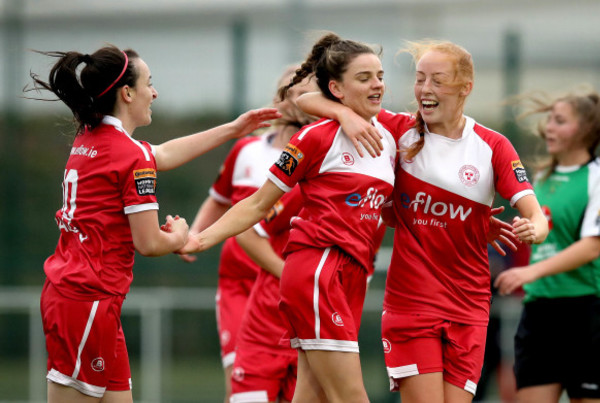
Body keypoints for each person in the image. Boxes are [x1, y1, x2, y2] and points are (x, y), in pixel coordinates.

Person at [297, 39, 548, 403]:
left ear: (465, 88)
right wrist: (346, 114)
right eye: (419, 79)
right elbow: (305, 99)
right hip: (410, 305)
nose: (425, 90)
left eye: (437, 80)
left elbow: (534, 214)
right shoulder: (399, 131)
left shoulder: (492, 146)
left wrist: (532, 230)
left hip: (469, 306)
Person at [27, 45, 280, 403]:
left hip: (79, 296)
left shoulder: (90, 135)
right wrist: (179, 236)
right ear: (127, 93)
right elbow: (148, 243)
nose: (155, 92)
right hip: (87, 301)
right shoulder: (131, 155)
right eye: (150, 82)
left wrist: (234, 129)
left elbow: (161, 154)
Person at [180, 32, 400, 403]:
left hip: (349, 277)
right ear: (337, 87)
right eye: (364, 78)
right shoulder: (313, 139)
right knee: (350, 396)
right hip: (318, 273)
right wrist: (199, 238)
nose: (377, 84)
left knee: (311, 393)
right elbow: (256, 206)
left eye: (379, 75)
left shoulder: (390, 132)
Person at [177, 64, 316, 402]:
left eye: (307, 91)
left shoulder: (316, 154)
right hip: (241, 282)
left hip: (291, 288)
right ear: (277, 99)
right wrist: (193, 235)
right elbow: (219, 200)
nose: (299, 97)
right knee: (244, 389)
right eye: (291, 89)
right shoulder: (246, 151)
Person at [494, 88, 600, 402]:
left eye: (559, 121)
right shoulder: (539, 179)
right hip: (540, 314)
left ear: (585, 130)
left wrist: (531, 272)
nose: (547, 127)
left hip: (589, 312)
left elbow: (592, 246)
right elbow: (542, 234)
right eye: (549, 119)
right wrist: (525, 229)